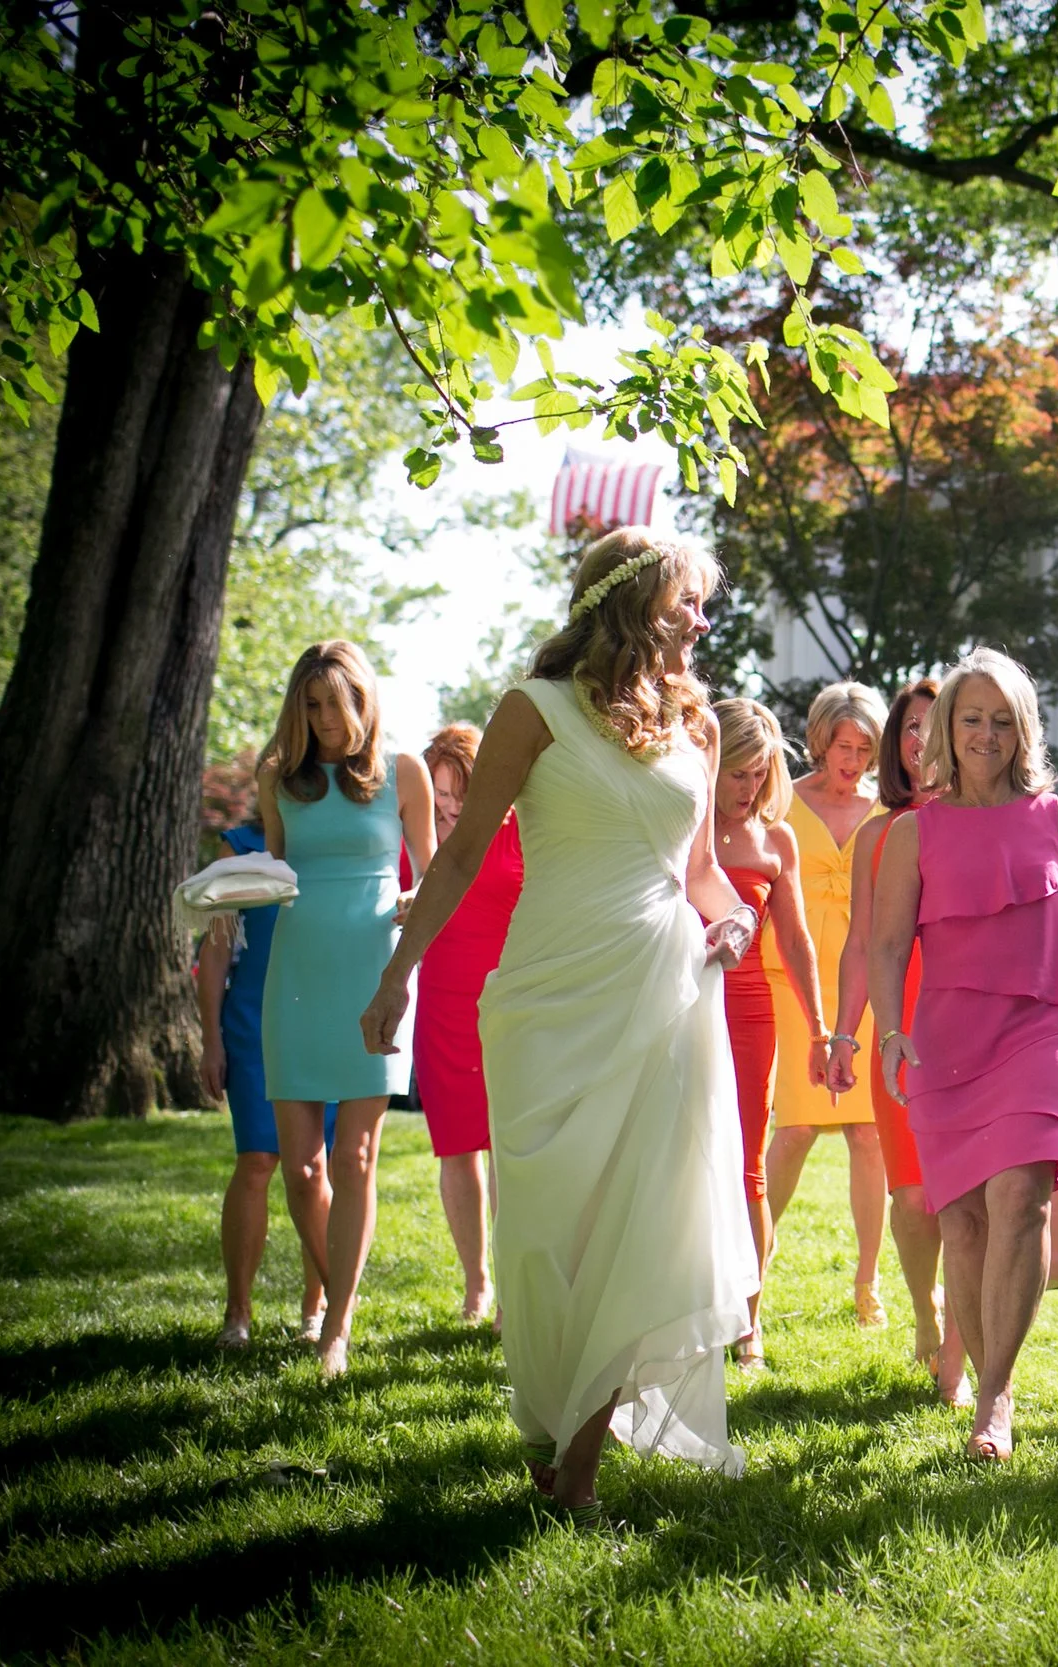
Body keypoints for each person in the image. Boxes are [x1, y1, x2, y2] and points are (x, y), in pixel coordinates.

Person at [361, 525, 759, 1521]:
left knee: (639, 1224)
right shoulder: (530, 710)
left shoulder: (698, 728)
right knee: (544, 1235)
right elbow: (452, 863)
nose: (704, 621)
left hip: (664, 995)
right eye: (689, 602)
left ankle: (577, 1468)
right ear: (633, 604)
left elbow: (703, 870)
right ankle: (550, 1418)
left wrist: (735, 919)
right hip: (546, 999)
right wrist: (395, 981)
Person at [870, 649, 1058, 1461]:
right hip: (945, 1043)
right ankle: (983, 1372)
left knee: (1022, 1198)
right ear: (947, 727)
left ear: (1024, 729)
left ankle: (997, 1396)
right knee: (965, 1226)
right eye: (972, 718)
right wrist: (888, 1029)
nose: (987, 734)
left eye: (1003, 720)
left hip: (1045, 1030)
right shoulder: (913, 833)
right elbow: (886, 943)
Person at [257, 641, 434, 1380]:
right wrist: (224, 900)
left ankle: (338, 1324)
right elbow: (271, 870)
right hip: (296, 973)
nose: (329, 718)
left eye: (340, 700)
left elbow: (432, 873)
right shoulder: (278, 779)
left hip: (374, 971)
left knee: (357, 1154)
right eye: (314, 703)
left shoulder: (404, 772)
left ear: (365, 699)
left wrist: (409, 905)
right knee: (302, 1169)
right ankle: (337, 1296)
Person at [828, 677, 969, 1404]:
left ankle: (958, 1346)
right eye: (909, 728)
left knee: (965, 1197)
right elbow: (859, 944)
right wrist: (845, 1033)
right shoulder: (878, 835)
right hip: (901, 1024)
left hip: (972, 1021)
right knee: (912, 1196)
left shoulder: (982, 821)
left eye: (932, 726)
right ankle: (925, 1312)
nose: (920, 741)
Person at [761, 681, 892, 1328]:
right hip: (790, 978)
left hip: (865, 981)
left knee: (871, 1135)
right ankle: (753, 1267)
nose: (854, 759)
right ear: (820, 740)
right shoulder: (780, 801)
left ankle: (868, 1282)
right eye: (844, 745)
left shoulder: (888, 807)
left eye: (866, 747)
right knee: (795, 1130)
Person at [710, 697, 829, 1370]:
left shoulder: (775, 839)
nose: (749, 787)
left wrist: (820, 1030)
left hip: (751, 1012)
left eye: (759, 773)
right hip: (680, 1006)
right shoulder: (682, 829)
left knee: (747, 1168)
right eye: (736, 772)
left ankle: (749, 1321)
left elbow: (798, 941)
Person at [195, 820, 335, 1349]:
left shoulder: (336, 834)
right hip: (253, 1022)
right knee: (257, 1159)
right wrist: (211, 1039)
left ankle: (317, 1310)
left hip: (326, 1018)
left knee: (320, 1166)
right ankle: (238, 1313)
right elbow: (215, 950)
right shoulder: (241, 845)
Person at [416, 721, 524, 1327]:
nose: (452, 810)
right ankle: (476, 1283)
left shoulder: (518, 830)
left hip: (509, 1002)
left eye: (462, 795)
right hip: (443, 1003)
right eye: (441, 799)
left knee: (511, 1148)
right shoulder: (420, 835)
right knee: (458, 1147)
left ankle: (513, 1288)